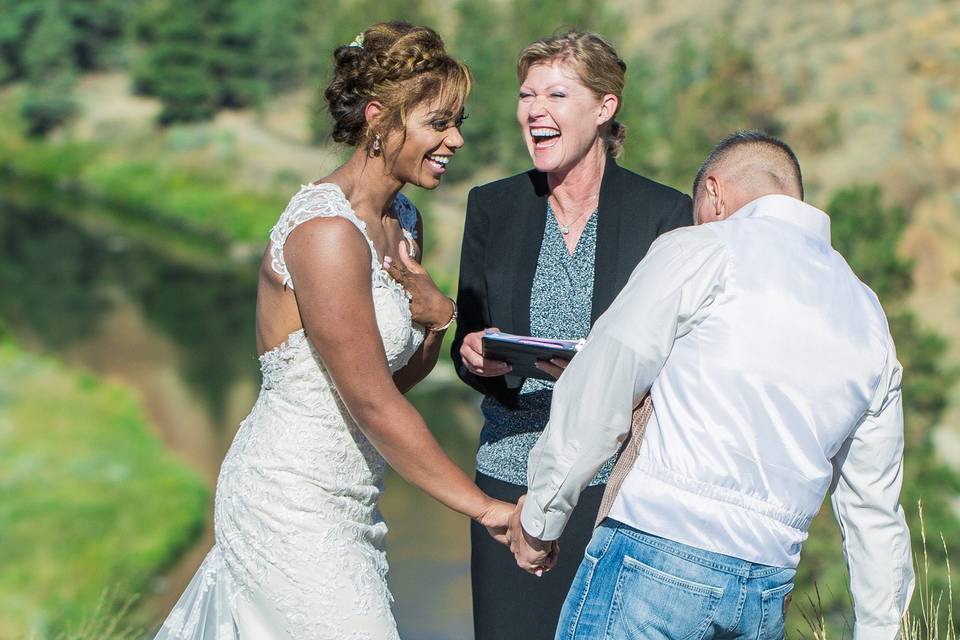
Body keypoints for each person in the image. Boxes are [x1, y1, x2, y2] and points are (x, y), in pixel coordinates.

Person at [154, 22, 513, 640]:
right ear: (380, 118)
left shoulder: (402, 219)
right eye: (438, 122)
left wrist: (435, 323)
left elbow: (394, 379)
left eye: (459, 122)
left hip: (351, 497)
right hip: (287, 496)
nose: (455, 139)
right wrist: (486, 510)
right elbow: (371, 401)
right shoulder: (326, 234)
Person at [508, 130, 915, 640]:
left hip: (656, 558)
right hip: (767, 590)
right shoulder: (867, 314)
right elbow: (874, 506)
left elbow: (604, 383)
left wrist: (541, 521)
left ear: (715, 194)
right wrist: (880, 630)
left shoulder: (704, 249)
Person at [450, 30, 692, 640]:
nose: (535, 110)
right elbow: (467, 339)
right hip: (511, 480)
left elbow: (680, 355)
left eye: (557, 94)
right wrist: (476, 355)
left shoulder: (664, 213)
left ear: (604, 108)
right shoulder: (491, 207)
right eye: (527, 95)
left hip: (620, 489)